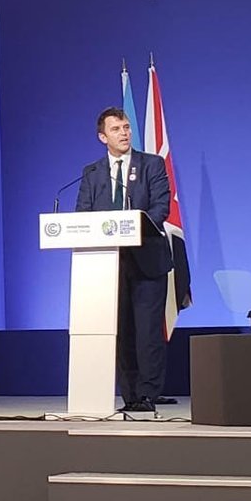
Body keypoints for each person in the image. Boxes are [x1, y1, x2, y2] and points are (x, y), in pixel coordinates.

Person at [76, 107, 173, 412]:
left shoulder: (151, 164)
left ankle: (147, 394)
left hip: (147, 260)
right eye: (116, 129)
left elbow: (161, 208)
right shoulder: (92, 173)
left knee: (147, 332)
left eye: (127, 127)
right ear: (102, 137)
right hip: (108, 265)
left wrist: (133, 228)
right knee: (121, 332)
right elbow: (83, 214)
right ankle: (129, 395)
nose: (124, 133)